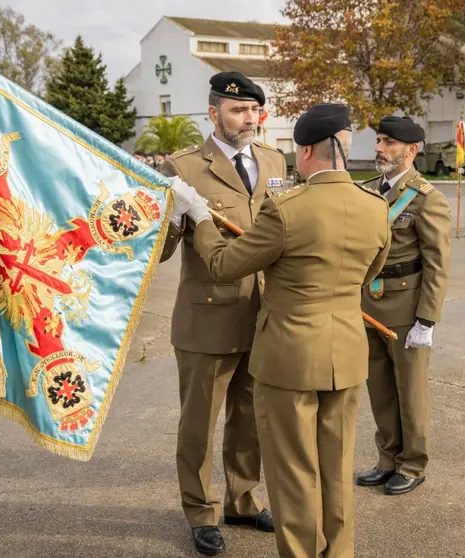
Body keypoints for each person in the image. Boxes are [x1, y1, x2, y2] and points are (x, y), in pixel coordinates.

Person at [170, 103, 391, 558]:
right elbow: (370, 274)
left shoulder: (288, 208)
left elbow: (223, 263)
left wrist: (202, 217)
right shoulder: (376, 207)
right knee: (336, 467)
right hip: (346, 353)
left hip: (289, 355)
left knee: (294, 474)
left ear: (307, 151)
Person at [158, 70, 286, 556]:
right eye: (238, 110)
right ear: (213, 114)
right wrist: (174, 219)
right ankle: (200, 511)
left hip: (262, 314)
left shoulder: (273, 159)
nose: (248, 118)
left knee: (250, 417)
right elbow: (163, 252)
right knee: (199, 423)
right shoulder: (183, 168)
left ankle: (242, 500)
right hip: (206, 318)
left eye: (254, 110)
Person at [356, 116, 451, 496]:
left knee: (409, 392)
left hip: (406, 309)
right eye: (379, 140)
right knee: (379, 389)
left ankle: (412, 464)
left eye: (389, 143)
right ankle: (386, 459)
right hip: (368, 305)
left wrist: (426, 320)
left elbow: (438, 264)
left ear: (410, 151)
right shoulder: (367, 191)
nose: (379, 148)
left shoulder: (429, 199)